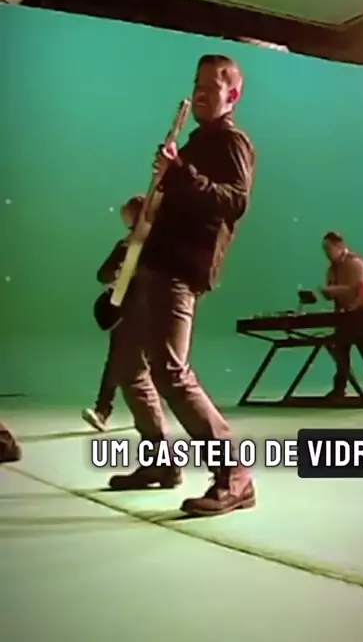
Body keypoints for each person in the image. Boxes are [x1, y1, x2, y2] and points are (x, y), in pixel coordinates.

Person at [109, 54, 256, 517]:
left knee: (171, 372)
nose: (200, 92)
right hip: (154, 265)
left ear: (233, 94)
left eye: (212, 85)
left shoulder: (232, 141)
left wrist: (180, 174)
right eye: (197, 84)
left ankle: (234, 474)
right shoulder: (196, 142)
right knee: (129, 365)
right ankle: (160, 463)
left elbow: (234, 201)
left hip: (178, 269)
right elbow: (181, 203)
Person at [82, 195, 145, 432]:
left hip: (142, 311)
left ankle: (110, 411)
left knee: (137, 365)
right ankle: (104, 411)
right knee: (119, 361)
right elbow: (103, 274)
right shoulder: (126, 245)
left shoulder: (150, 247)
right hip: (124, 312)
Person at [320, 231, 363, 404]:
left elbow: (356, 287)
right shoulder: (331, 269)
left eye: (328, 248)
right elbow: (333, 292)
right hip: (344, 314)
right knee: (341, 352)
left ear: (339, 246)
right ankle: (339, 389)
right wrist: (327, 293)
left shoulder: (356, 263)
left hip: (361, 311)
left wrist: (333, 290)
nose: (326, 253)